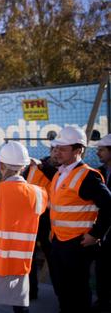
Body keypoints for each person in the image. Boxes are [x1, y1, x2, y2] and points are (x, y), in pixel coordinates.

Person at [48, 126, 111, 312]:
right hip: (59, 241)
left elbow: (109, 206)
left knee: (78, 293)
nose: (57, 152)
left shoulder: (88, 176)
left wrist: (96, 234)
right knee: (62, 290)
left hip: (78, 244)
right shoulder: (60, 173)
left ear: (78, 150)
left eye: (63, 149)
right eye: (56, 148)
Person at [0, 141, 47, 313]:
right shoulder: (39, 194)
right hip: (20, 263)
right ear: (25, 166)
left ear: (1, 165)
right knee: (20, 307)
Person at [22, 146, 59, 300]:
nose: (57, 153)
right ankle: (31, 292)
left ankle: (61, 296)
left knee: (54, 260)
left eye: (60, 150)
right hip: (31, 218)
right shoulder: (34, 167)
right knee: (29, 257)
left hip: (49, 221)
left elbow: (54, 176)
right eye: (55, 150)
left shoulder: (61, 172)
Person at [94, 134, 111, 312]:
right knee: (102, 269)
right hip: (103, 232)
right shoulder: (99, 172)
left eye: (102, 150)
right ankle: (102, 301)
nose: (98, 152)